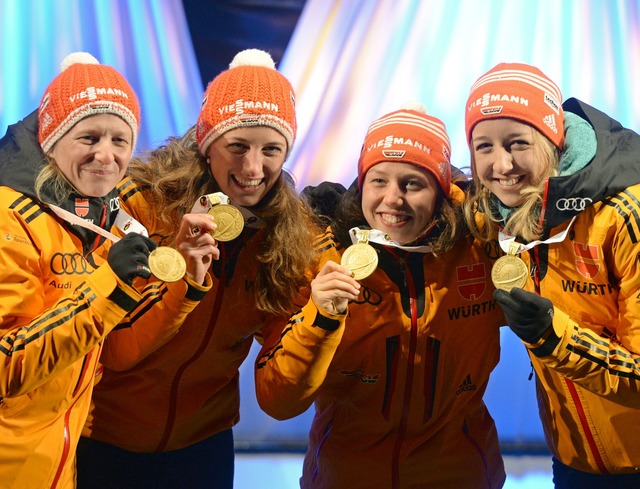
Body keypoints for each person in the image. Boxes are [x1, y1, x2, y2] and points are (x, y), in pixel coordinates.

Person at [74, 49, 322, 488]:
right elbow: (113, 350)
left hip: (203, 447)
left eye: (271, 150)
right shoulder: (140, 205)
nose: (252, 169)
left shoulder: (287, 240)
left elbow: (280, 393)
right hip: (104, 437)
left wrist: (325, 319)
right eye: (237, 146)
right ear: (207, 146)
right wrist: (183, 283)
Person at [255, 102, 506, 488]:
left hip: (459, 473)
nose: (393, 198)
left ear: (440, 191)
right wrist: (319, 317)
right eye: (379, 181)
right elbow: (279, 401)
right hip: (346, 476)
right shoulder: (322, 256)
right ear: (362, 183)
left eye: (412, 183)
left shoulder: (482, 247)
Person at [0, 53, 214, 489]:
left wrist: (186, 283)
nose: (106, 155)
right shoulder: (9, 219)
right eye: (89, 137)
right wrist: (108, 288)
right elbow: (6, 367)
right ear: (52, 138)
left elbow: (114, 352)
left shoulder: (95, 220)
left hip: (56, 468)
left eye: (121, 140)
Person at [463, 62, 640, 487]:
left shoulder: (622, 218)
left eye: (517, 142)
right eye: (483, 146)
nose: (500, 165)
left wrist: (554, 337)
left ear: (553, 139)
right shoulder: (500, 215)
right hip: (573, 458)